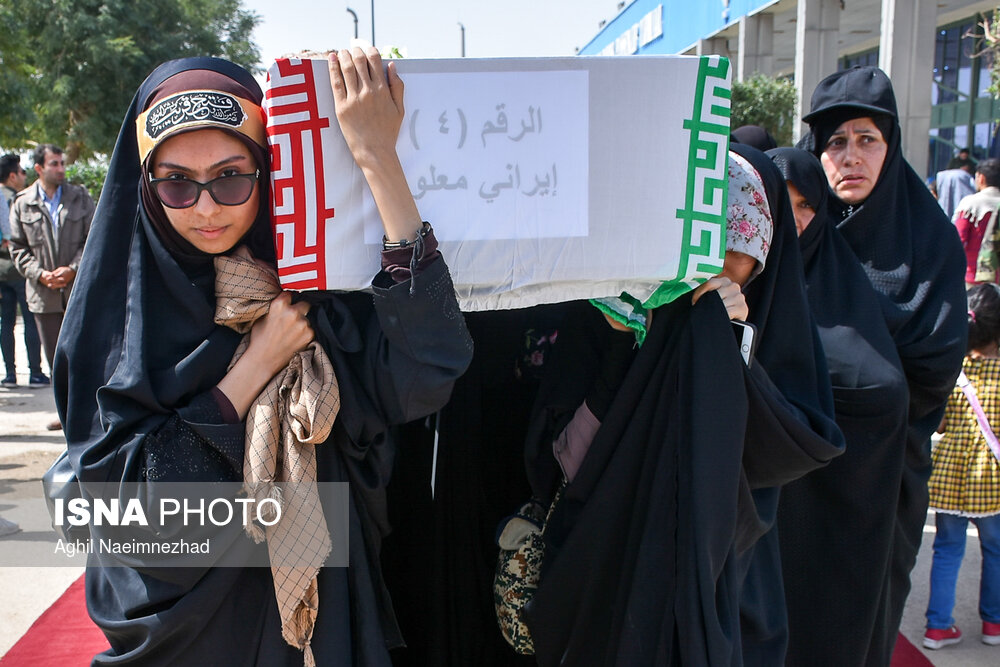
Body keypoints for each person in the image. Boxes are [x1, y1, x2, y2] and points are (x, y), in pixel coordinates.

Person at [54, 53, 473, 666]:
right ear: (145, 185)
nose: (205, 208)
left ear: (265, 171)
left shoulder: (304, 293)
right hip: (189, 638)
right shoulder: (112, 328)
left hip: (320, 629)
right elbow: (130, 520)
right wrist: (253, 369)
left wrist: (377, 158)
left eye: (230, 178)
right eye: (176, 183)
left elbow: (427, 366)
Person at [520, 149, 841, 666]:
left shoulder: (771, 328)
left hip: (727, 580)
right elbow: (562, 462)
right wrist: (635, 349)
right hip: (608, 579)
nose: (716, 281)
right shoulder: (612, 316)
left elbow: (792, 448)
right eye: (702, 265)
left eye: (738, 264)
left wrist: (726, 350)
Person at [792, 65, 968, 665]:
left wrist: (862, 385)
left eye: (867, 139)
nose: (850, 156)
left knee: (860, 622)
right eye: (835, 142)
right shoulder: (800, 234)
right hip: (795, 472)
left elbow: (936, 363)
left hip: (884, 479)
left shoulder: (931, 241)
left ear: (890, 148)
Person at [923, 283, 1000, 650]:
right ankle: (993, 624)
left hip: (950, 478)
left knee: (947, 549)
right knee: (997, 551)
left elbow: (937, 424)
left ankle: (938, 627)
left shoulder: (951, 369)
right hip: (993, 482)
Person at [8, 144, 94, 429]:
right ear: (39, 169)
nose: (61, 169)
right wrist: (41, 274)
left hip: (79, 292)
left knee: (85, 355)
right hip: (43, 295)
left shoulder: (80, 197)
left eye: (62, 163)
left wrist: (72, 269)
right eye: (54, 164)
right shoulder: (22, 203)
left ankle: (90, 414)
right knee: (56, 360)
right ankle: (66, 414)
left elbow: (94, 239)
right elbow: (18, 249)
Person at [0, 153, 44, 388]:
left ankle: (9, 374)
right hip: (18, 271)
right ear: (12, 175)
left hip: (1, 273)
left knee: (5, 323)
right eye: (22, 172)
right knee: (30, 321)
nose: (24, 177)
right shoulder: (17, 200)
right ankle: (36, 373)